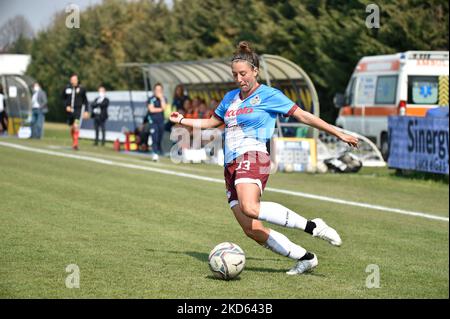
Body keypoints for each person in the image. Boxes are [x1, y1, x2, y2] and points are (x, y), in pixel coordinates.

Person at [170, 41, 358, 275]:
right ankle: (306, 258)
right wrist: (181, 121)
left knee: (250, 207)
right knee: (252, 229)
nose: (239, 79)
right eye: (235, 74)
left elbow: (304, 116)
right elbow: (211, 122)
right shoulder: (230, 98)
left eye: (243, 74)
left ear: (255, 71)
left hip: (253, 155)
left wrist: (338, 132)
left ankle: (314, 226)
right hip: (230, 165)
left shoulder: (269, 95)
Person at [62, 74, 89, 150]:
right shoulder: (66, 88)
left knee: (76, 126)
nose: (73, 81)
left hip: (78, 110)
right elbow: (63, 99)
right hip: (69, 111)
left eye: (75, 79)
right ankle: (74, 141)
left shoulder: (81, 89)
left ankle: (75, 143)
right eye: (72, 80)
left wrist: (86, 111)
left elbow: (85, 101)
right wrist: (66, 106)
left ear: (77, 80)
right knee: (72, 127)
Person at [147, 82, 168, 161]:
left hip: (161, 121)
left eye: (159, 89)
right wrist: (160, 109)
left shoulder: (164, 98)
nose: (158, 91)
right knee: (154, 137)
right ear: (154, 90)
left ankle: (158, 150)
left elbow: (164, 107)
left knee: (160, 137)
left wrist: (161, 99)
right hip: (153, 121)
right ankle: (155, 153)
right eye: (156, 89)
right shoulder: (151, 99)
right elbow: (151, 109)